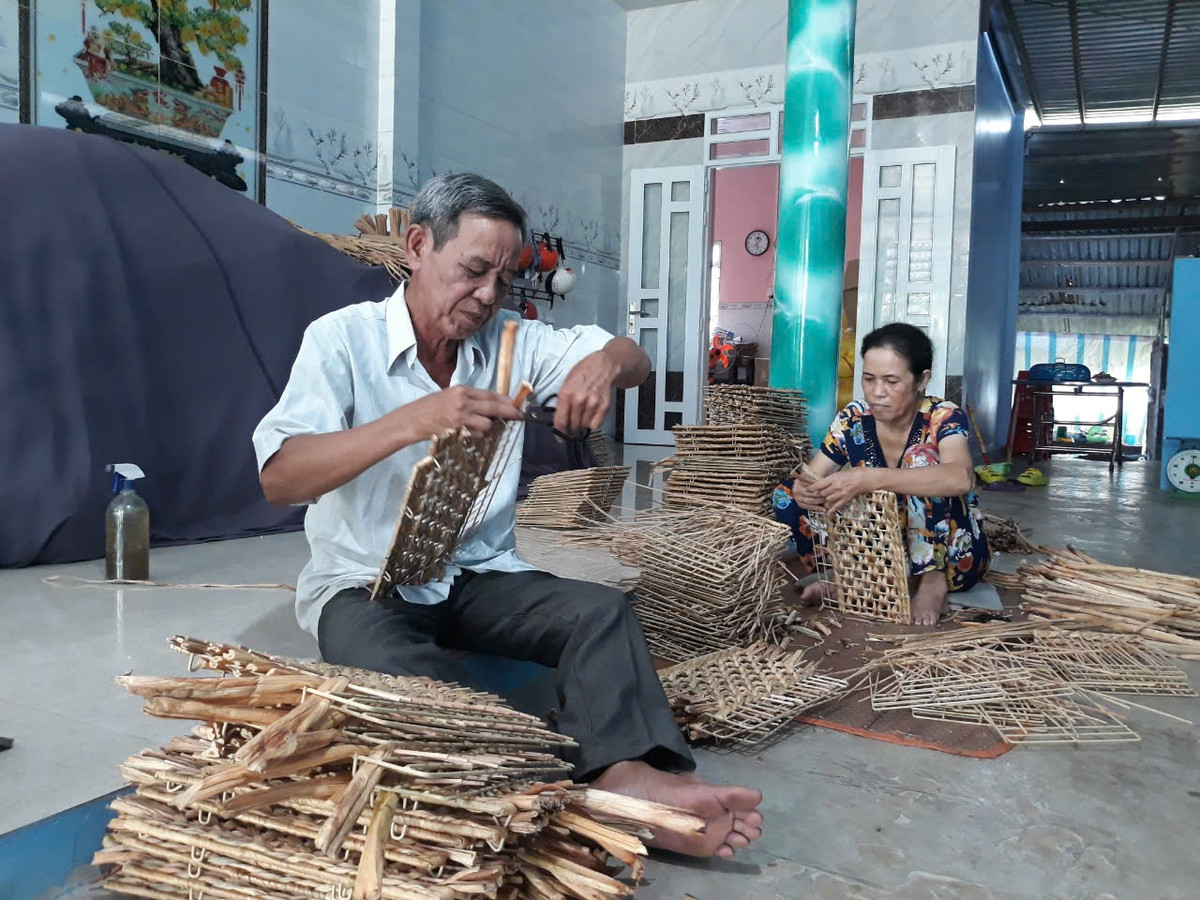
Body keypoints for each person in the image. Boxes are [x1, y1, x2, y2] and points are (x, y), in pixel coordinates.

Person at [252, 173, 763, 858]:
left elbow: (634, 359)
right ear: (416, 247)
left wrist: (602, 366)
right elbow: (280, 477)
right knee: (389, 666)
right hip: (364, 582)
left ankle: (628, 776)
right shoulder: (342, 341)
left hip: (475, 575)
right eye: (473, 271)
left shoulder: (512, 341)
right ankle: (552, 797)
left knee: (600, 613)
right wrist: (412, 420)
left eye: (504, 275)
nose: (489, 294)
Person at [773, 323, 991, 626]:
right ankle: (852, 576)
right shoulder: (852, 419)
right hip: (878, 555)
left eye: (891, 381)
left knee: (922, 459)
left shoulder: (942, 416)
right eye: (869, 378)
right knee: (785, 495)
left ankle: (931, 582)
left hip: (954, 556)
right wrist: (804, 490)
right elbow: (812, 475)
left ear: (921, 380)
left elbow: (960, 477)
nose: (877, 392)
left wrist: (870, 478)